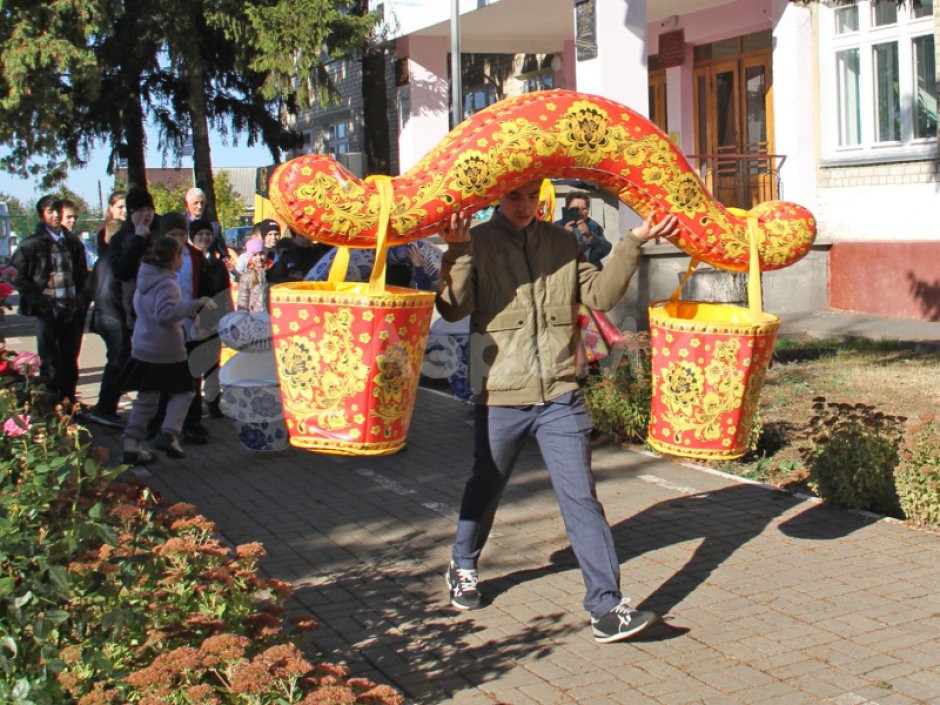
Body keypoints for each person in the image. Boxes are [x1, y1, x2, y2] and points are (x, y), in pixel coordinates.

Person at [436, 179, 679, 643]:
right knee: (486, 486)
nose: (524, 206)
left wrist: (633, 242)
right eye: (514, 197)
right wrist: (457, 251)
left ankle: (606, 607)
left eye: (531, 197)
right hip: (503, 391)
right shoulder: (476, 241)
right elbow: (452, 309)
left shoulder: (562, 241)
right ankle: (463, 564)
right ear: (498, 199)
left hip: (560, 392)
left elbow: (601, 296)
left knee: (581, 497)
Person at [119, 236, 215, 464]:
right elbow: (165, 312)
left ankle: (132, 442)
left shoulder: (146, 278)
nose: (183, 259)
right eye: (181, 254)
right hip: (167, 348)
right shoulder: (166, 283)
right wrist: (192, 305)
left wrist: (184, 309)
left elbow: (151, 309)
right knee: (185, 390)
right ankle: (169, 433)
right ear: (173, 258)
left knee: (147, 396)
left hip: (144, 344)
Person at [10, 195, 89, 406]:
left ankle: (69, 402)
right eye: (49, 211)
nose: (55, 215)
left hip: (71, 308)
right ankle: (52, 405)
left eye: (57, 210)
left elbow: (82, 274)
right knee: (50, 362)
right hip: (49, 310)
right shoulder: (32, 245)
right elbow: (16, 274)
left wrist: (81, 298)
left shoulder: (72, 242)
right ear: (41, 215)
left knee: (70, 360)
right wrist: (39, 300)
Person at [86, 219, 130, 428]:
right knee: (117, 362)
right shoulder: (117, 260)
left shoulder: (102, 259)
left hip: (102, 314)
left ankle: (107, 406)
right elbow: (121, 292)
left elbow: (91, 287)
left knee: (117, 360)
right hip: (113, 315)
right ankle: (105, 408)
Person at [554, 191, 613, 270]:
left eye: (584, 209)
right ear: (567, 209)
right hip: (564, 274)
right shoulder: (556, 226)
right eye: (575, 209)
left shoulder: (593, 226)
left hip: (588, 273)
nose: (580, 213)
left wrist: (589, 236)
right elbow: (547, 253)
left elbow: (605, 249)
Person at [237, 238, 269, 312]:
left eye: (261, 254)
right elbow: (243, 299)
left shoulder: (271, 272)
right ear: (250, 257)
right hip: (255, 316)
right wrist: (243, 315)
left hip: (270, 315)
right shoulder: (247, 276)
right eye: (254, 255)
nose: (259, 258)